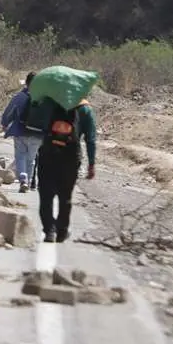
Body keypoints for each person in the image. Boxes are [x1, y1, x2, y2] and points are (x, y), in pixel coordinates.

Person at [37, 97, 97, 243]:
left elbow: (39, 125)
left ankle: (49, 231)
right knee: (66, 196)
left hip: (49, 153)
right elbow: (91, 139)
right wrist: (91, 163)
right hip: (71, 156)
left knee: (46, 195)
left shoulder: (49, 103)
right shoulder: (85, 109)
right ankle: (62, 231)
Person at [1, 72, 43, 193]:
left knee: (20, 157)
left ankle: (23, 180)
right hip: (37, 134)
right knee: (31, 159)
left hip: (20, 132)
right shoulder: (44, 98)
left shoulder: (20, 97)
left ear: (27, 83)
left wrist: (5, 123)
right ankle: (28, 182)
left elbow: (10, 111)